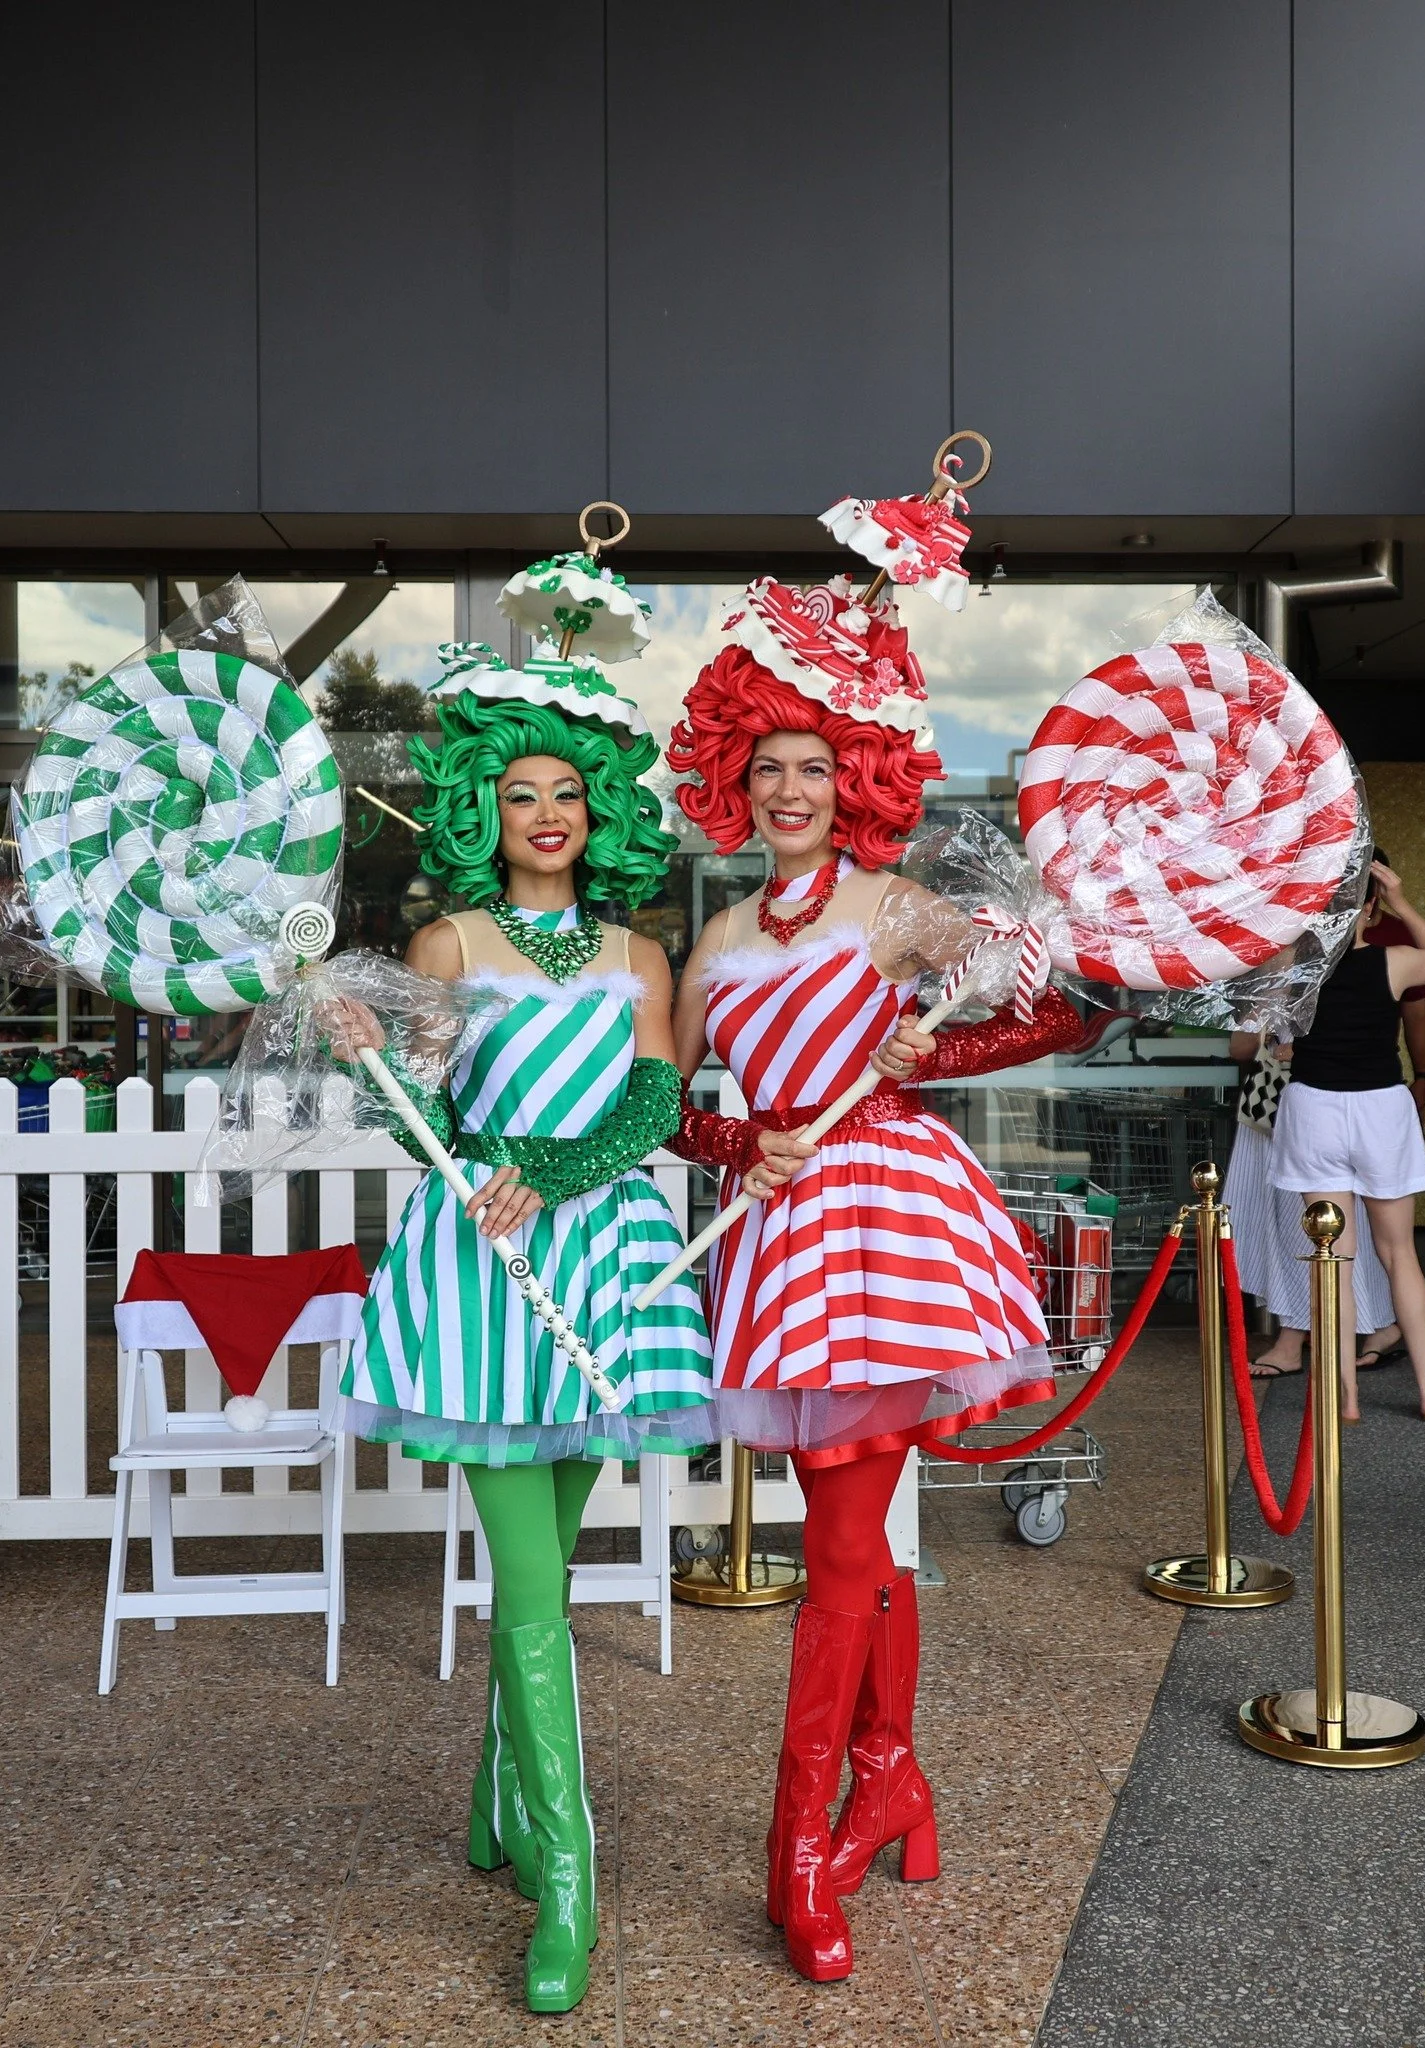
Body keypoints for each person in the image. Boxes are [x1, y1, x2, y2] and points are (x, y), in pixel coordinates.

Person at [665, 575, 1082, 1984]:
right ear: (737, 780)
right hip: (782, 1234)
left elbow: (1049, 1011)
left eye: (815, 767)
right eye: (768, 766)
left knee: (843, 1543)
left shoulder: (900, 906)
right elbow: (663, 1107)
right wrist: (743, 1139)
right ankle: (892, 1781)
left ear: (857, 780)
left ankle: (798, 1854)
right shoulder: (714, 942)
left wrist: (933, 1053)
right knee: (862, 1536)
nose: (790, 789)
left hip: (898, 1227)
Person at [331, 646, 716, 2014]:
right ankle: (570, 1881)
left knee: (545, 1557)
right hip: (485, 1275)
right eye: (517, 795)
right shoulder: (448, 945)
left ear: (597, 807)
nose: (544, 815)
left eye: (565, 793)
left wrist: (554, 1170)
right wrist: (364, 1049)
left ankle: (499, 1790)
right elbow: (418, 1115)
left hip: (601, 1265)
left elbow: (656, 1102)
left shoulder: (636, 951)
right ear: (483, 812)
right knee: (535, 1585)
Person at [1270, 856, 1425, 1424]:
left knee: (1334, 1262)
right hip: (1380, 1110)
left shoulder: (1291, 968)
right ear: (1368, 910)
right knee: (1400, 1254)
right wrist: (1400, 900)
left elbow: (1257, 1007)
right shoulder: (1394, 962)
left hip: (1313, 1110)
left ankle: (1343, 1397)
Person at [1225, 1031, 1403, 1377]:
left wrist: (1301, 1047)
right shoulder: (1272, 984)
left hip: (1325, 1101)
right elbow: (1240, 1048)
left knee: (1313, 1224)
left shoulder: (1339, 980)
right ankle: (1373, 1321)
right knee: (1306, 1222)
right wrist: (1265, 999)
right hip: (1282, 1105)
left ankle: (1296, 1337)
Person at [1363, 845, 1425, 1115]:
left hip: (1378, 1068)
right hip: (1318, 1068)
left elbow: (1416, 1013)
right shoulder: (1318, 934)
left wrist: (1423, 1077)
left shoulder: (1399, 933)